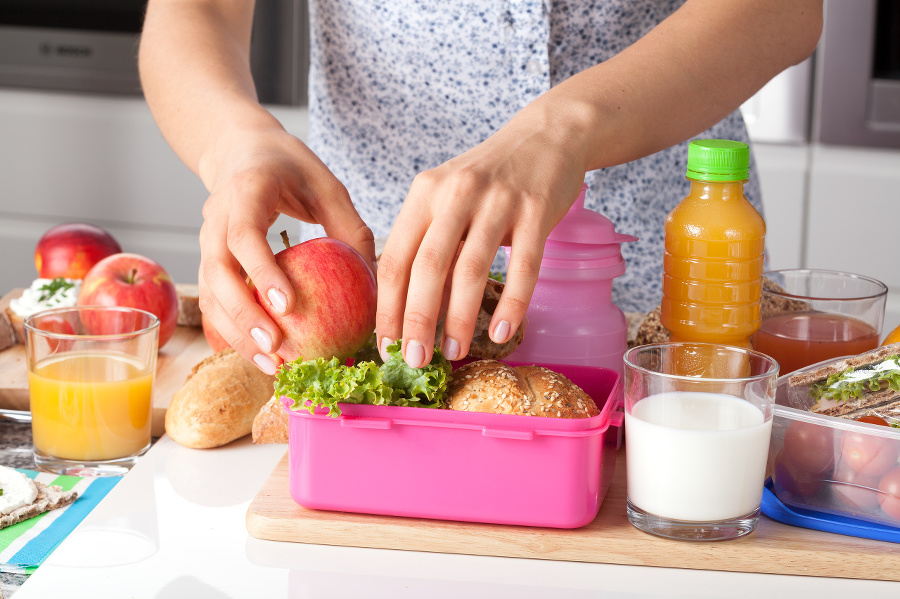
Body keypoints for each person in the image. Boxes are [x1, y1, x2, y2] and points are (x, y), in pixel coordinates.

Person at [138, 0, 823, 375]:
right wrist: (234, 144)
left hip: (675, 300)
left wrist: (564, 129)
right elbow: (192, 11)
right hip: (383, 316)